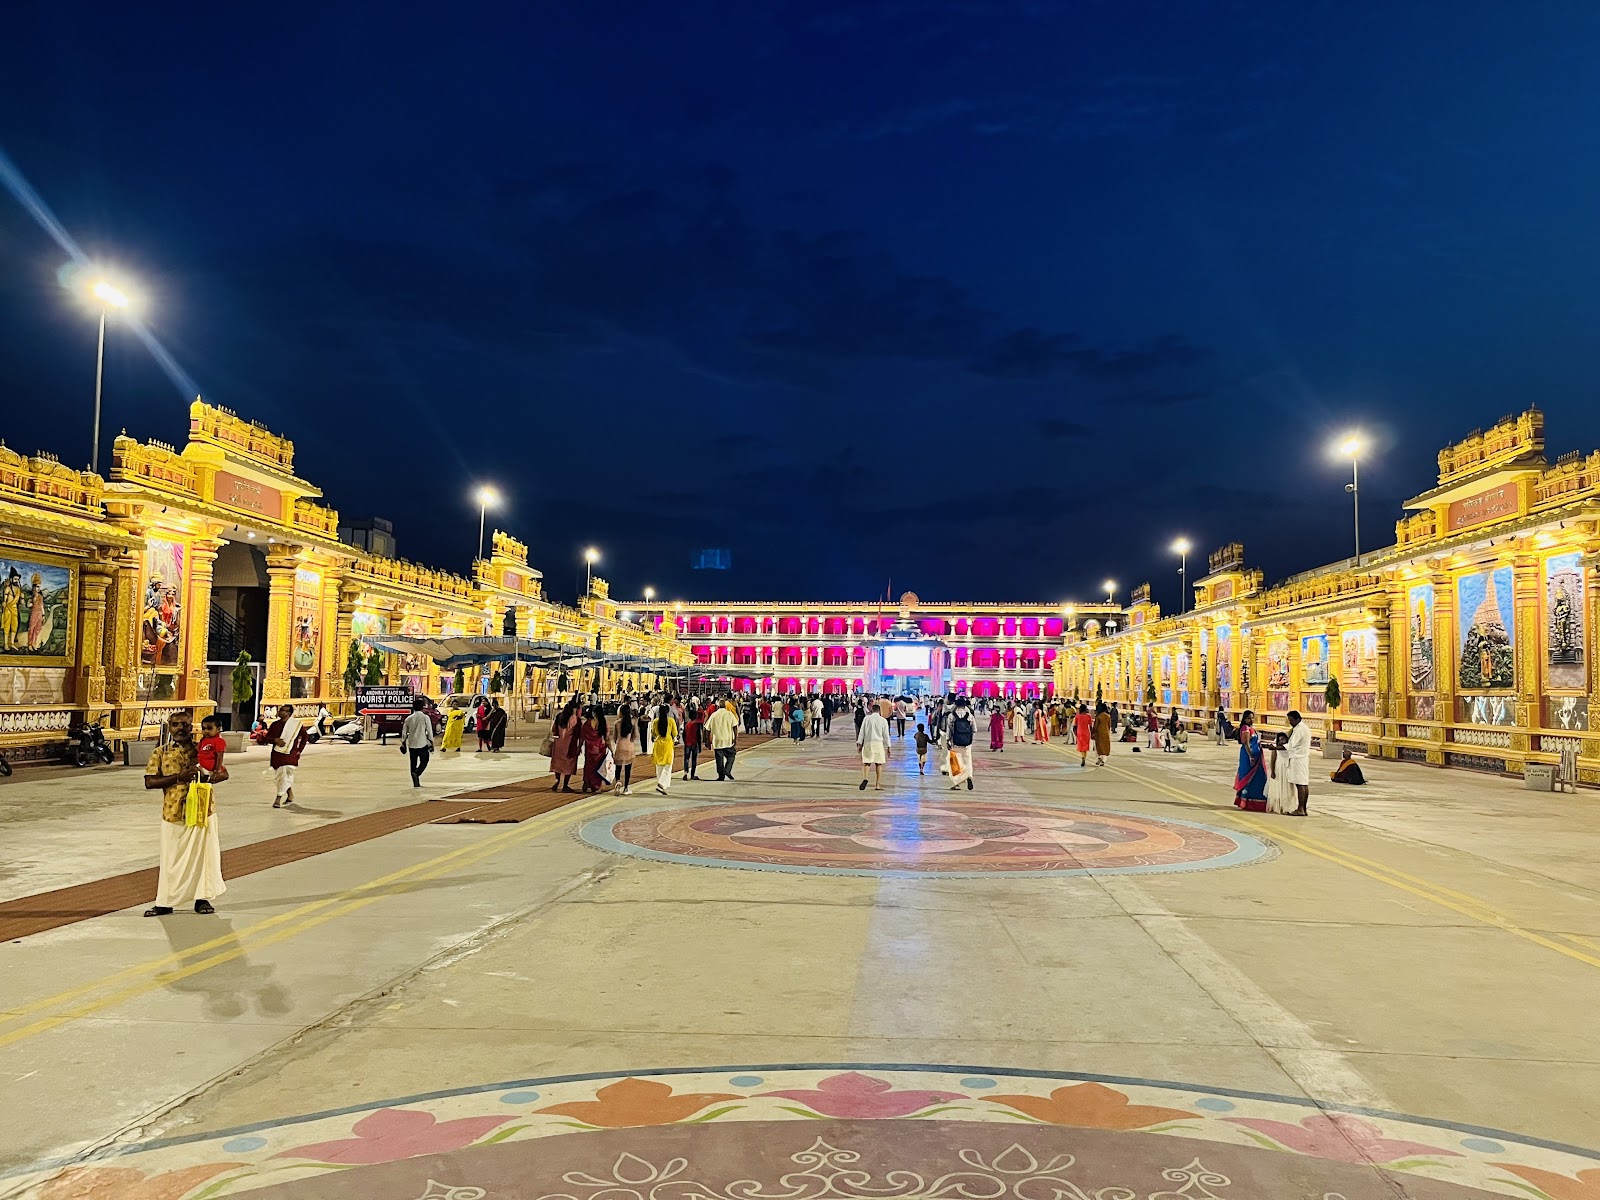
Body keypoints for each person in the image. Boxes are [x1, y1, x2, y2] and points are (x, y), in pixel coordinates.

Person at [144, 711, 224, 917]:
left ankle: (202, 899)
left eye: (185, 725)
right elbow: (149, 782)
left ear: (191, 727)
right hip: (173, 812)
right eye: (176, 725)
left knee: (203, 858)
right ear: (169, 728)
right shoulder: (160, 752)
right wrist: (178, 777)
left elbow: (223, 772)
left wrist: (213, 777)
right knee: (171, 859)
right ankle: (165, 902)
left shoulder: (204, 749)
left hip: (202, 810)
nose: (180, 729)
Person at [266, 703, 308, 808]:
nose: (280, 712)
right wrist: (275, 740)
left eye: (283, 710)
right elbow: (266, 738)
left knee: (284, 775)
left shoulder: (296, 725)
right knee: (281, 777)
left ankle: (278, 799)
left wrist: (299, 750)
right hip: (277, 754)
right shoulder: (275, 725)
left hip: (290, 755)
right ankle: (290, 795)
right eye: (280, 710)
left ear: (288, 713)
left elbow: (305, 737)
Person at [1233, 709, 1268, 811]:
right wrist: (1251, 756)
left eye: (1252, 718)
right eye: (1249, 718)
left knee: (1258, 779)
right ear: (1244, 719)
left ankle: (1255, 801)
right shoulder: (1245, 728)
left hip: (1256, 757)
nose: (1251, 720)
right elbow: (1246, 744)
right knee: (1248, 778)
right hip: (1248, 756)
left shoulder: (1251, 728)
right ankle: (1245, 802)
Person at [398, 696, 436, 788]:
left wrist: (403, 743)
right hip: (422, 743)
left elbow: (404, 733)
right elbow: (430, 732)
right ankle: (417, 773)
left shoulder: (408, 719)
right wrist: (432, 742)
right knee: (425, 760)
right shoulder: (425, 717)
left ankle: (416, 782)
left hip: (412, 744)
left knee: (413, 763)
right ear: (422, 707)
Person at [857, 700, 891, 791]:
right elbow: (886, 734)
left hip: (868, 743)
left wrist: (859, 743)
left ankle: (865, 778)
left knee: (867, 763)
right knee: (878, 764)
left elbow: (862, 732)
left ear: (872, 710)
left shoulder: (867, 719)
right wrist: (888, 746)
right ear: (879, 711)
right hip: (878, 744)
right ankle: (877, 785)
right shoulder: (883, 720)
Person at [548, 700, 581, 792]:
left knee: (557, 764)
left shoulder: (559, 716)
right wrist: (579, 746)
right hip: (569, 745)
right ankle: (565, 784)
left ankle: (558, 781)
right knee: (569, 764)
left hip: (558, 744)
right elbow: (579, 734)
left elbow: (554, 729)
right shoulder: (575, 719)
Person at [1285, 709, 1312, 815]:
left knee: (1300, 784)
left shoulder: (1299, 729)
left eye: (1291, 720)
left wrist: (1276, 747)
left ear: (1297, 719)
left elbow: (1291, 744)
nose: (1290, 723)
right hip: (1303, 758)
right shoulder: (1304, 728)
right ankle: (1303, 809)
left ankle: (1300, 809)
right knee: (1303, 783)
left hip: (1298, 758)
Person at [947, 694, 976, 790]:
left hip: (955, 742)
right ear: (965, 706)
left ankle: (957, 782)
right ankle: (968, 776)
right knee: (967, 761)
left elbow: (949, 730)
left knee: (955, 763)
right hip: (967, 743)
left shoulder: (951, 716)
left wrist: (948, 740)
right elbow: (974, 729)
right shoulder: (970, 716)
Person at [705, 698, 738, 780]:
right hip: (728, 739)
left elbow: (707, 729)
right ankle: (727, 770)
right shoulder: (729, 714)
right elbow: (735, 726)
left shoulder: (714, 715)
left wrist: (708, 741)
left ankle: (721, 776)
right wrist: (735, 738)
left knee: (719, 760)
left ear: (718, 706)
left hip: (717, 740)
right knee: (731, 755)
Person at [609, 705, 638, 794]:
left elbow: (614, 738)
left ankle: (617, 781)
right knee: (628, 768)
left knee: (618, 767)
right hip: (629, 746)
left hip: (620, 746)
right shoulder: (633, 723)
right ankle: (626, 788)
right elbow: (636, 736)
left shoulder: (617, 723)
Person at [580, 707, 609, 792]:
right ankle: (596, 786)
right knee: (598, 767)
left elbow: (582, 736)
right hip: (600, 748)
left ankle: (587, 784)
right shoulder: (603, 723)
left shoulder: (587, 724)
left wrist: (579, 747)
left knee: (588, 766)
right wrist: (610, 749)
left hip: (589, 748)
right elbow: (607, 738)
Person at [650, 705, 678, 794]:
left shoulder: (655, 721)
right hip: (668, 745)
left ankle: (661, 784)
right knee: (668, 765)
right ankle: (661, 784)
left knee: (659, 766)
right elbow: (675, 733)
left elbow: (653, 733)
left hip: (658, 744)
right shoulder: (671, 721)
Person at [1266, 732, 1295, 813]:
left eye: (1283, 739)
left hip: (1287, 768)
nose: (1282, 741)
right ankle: (1279, 806)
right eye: (1280, 740)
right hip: (1279, 768)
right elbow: (1273, 759)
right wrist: (1272, 771)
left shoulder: (1288, 747)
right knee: (1279, 787)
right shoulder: (1276, 748)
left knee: (1288, 788)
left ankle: (1287, 806)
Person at [682, 704, 704, 780]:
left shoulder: (686, 724)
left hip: (687, 743)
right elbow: (698, 736)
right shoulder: (697, 725)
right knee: (694, 759)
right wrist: (700, 746)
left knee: (686, 759)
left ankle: (685, 773)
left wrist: (685, 741)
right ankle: (692, 775)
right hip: (694, 744)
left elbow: (684, 734)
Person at [1069, 702, 1092, 766]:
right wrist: (1092, 733)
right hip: (1086, 732)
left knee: (1081, 746)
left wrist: (1075, 733)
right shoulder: (1089, 716)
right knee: (1085, 746)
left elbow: (1075, 726)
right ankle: (1084, 757)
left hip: (1080, 732)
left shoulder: (1077, 716)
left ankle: (1082, 757)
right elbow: (1090, 726)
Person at [1093, 702, 1111, 767]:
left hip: (1099, 733)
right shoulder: (1108, 716)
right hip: (1106, 733)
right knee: (1105, 746)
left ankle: (1099, 758)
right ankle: (1104, 760)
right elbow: (1109, 725)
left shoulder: (1098, 716)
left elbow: (1095, 726)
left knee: (1099, 746)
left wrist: (1093, 732)